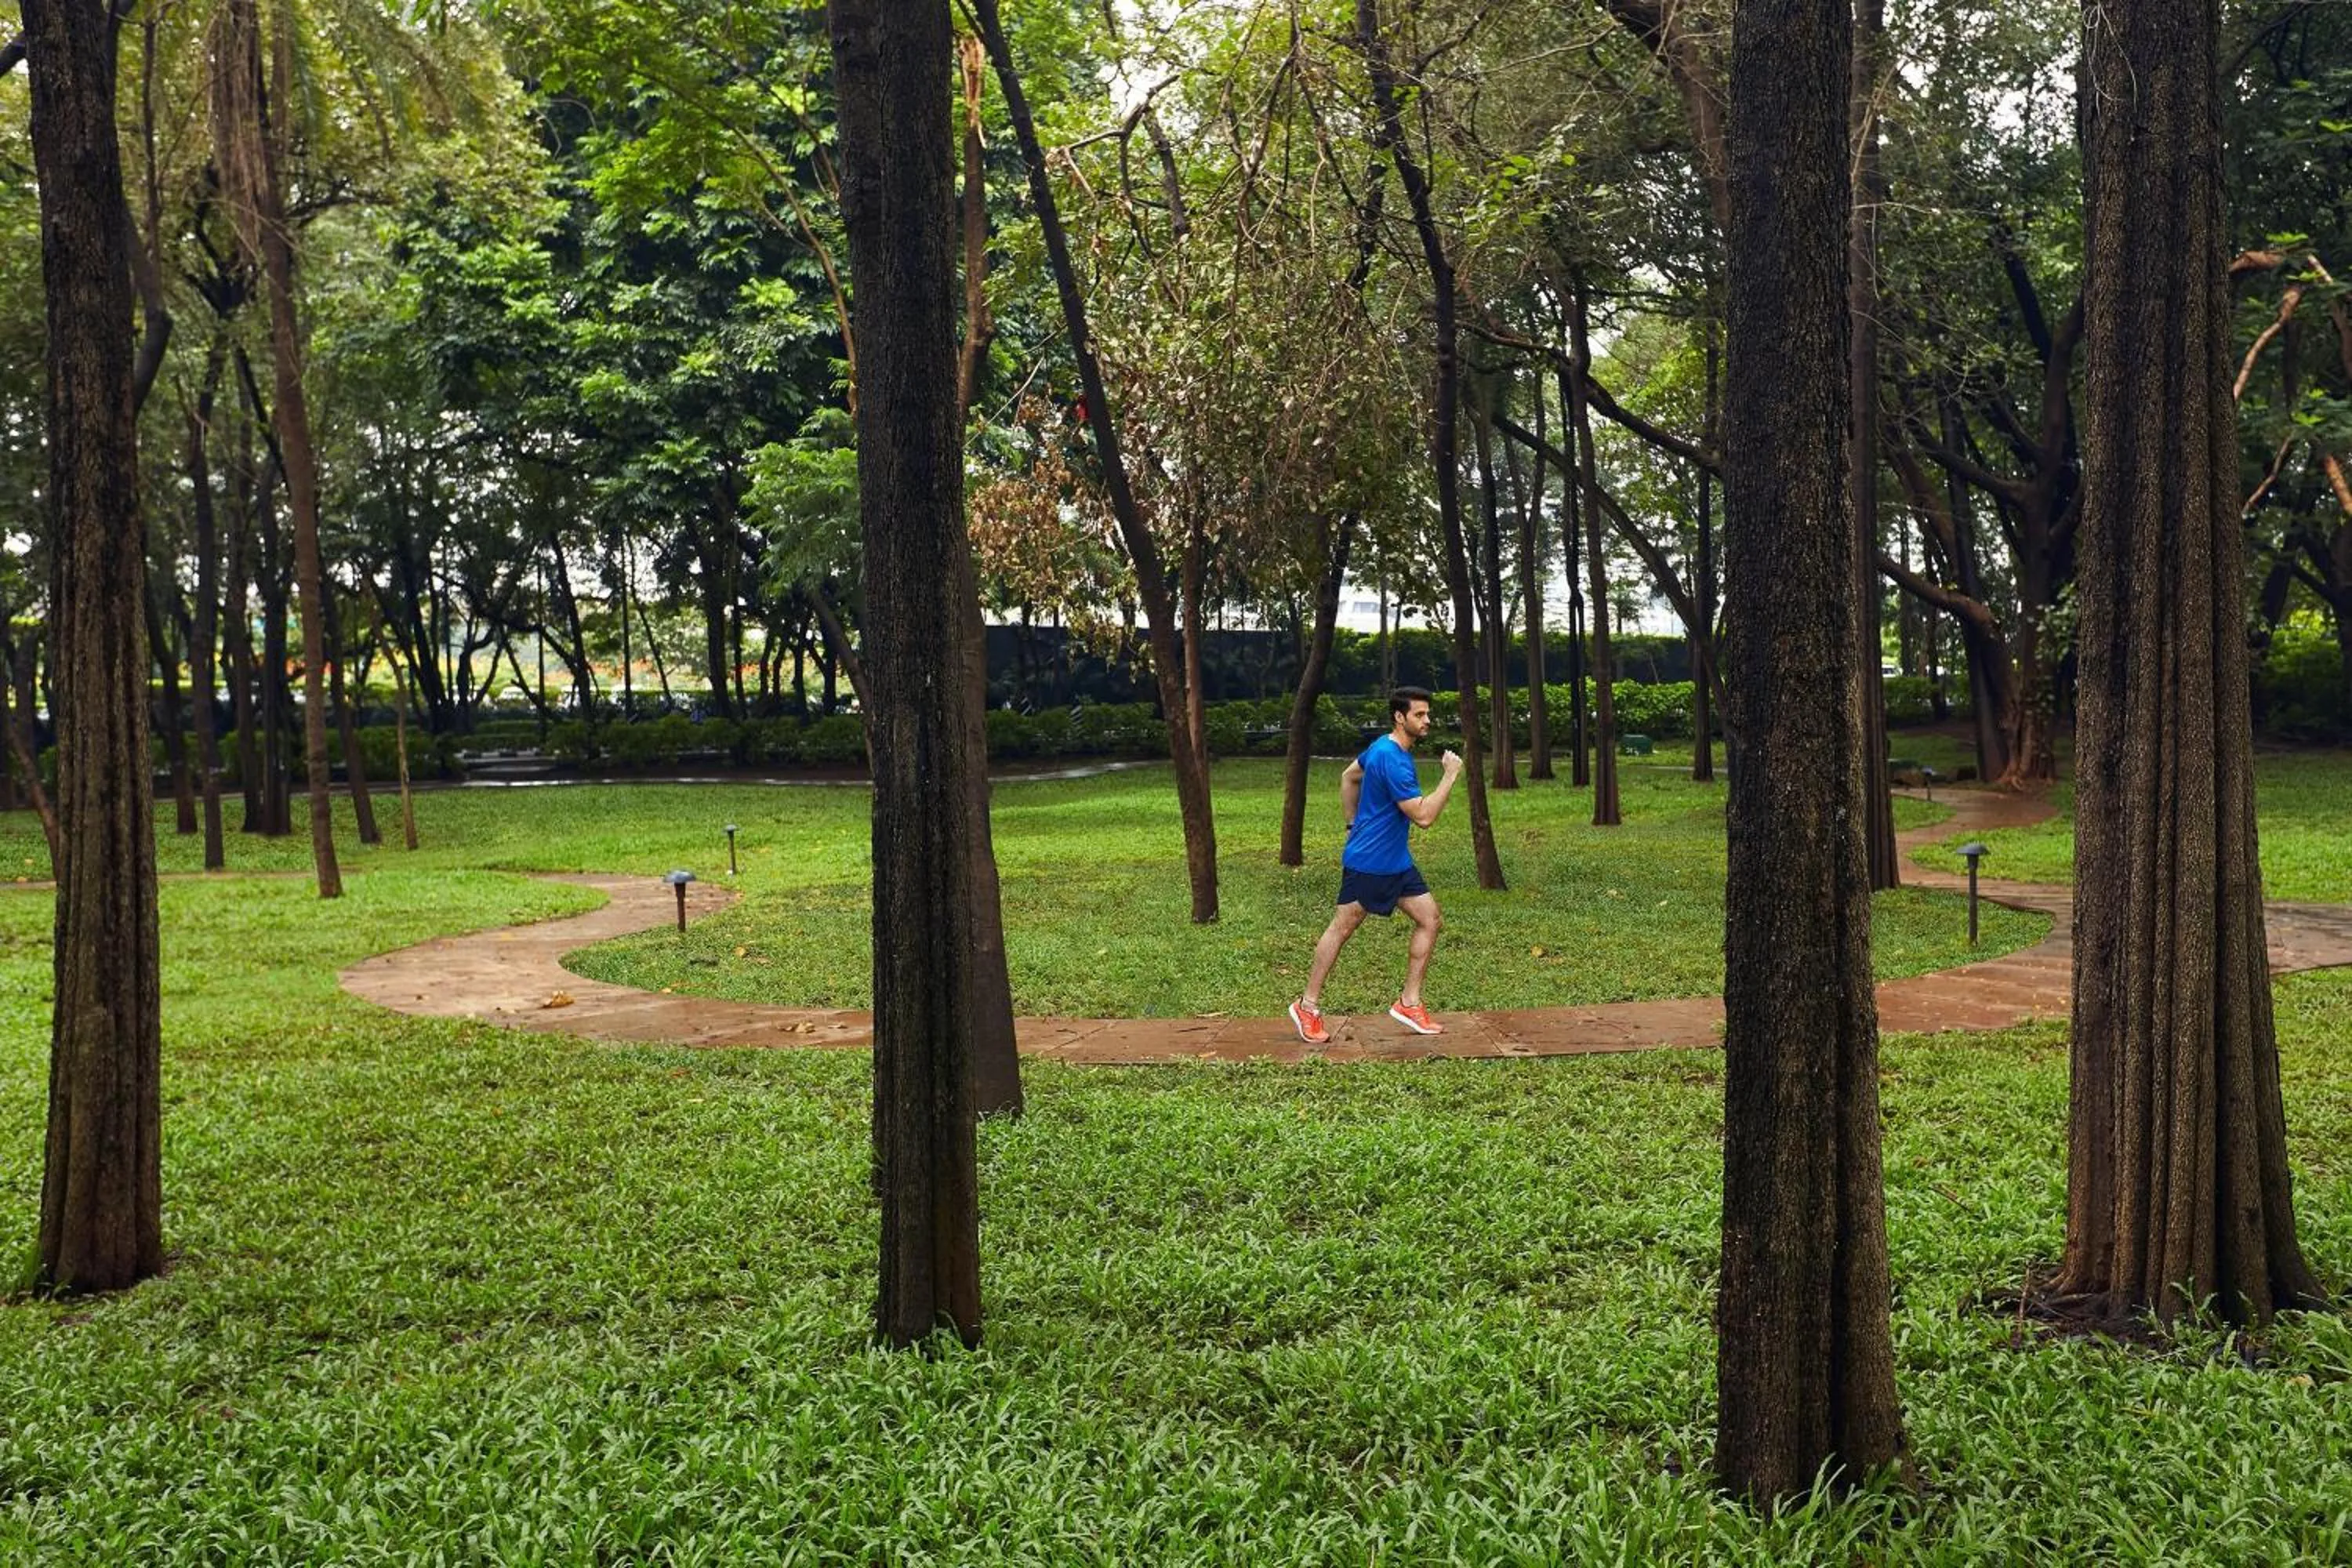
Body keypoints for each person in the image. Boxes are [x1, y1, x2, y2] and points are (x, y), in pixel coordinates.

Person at [1288, 686, 1462, 1043]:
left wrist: (1351, 824)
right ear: (1400, 717)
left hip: (1395, 861)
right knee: (1342, 928)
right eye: (1419, 715)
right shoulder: (1394, 760)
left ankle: (1409, 1003)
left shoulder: (1381, 747)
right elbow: (1424, 817)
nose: (1427, 720)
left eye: (1428, 714)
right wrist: (1450, 775)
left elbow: (1349, 776)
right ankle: (1307, 1005)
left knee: (1430, 919)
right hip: (1371, 864)